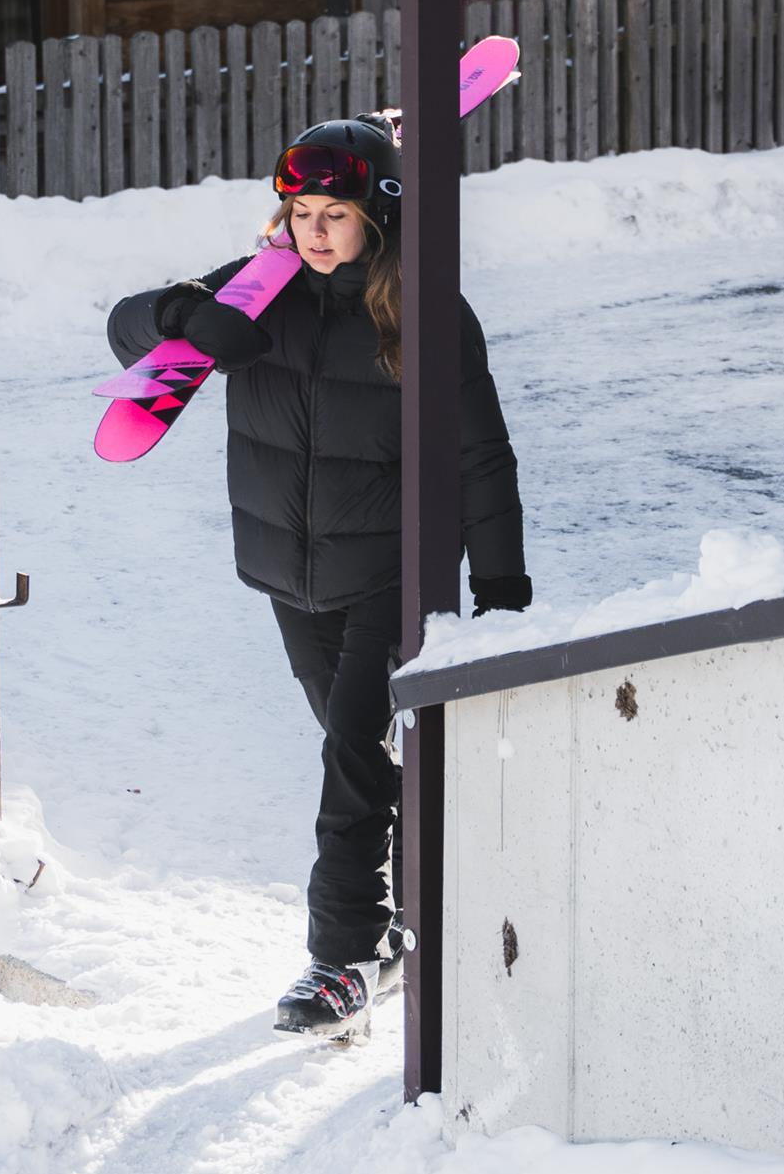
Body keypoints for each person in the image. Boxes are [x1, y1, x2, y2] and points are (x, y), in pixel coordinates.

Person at [107, 115, 530, 1035]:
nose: (315, 231)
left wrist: (500, 597)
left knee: (351, 755)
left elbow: (482, 459)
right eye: (300, 214)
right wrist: (183, 315)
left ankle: (342, 959)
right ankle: (416, 919)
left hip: (392, 570)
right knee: (367, 756)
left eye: (335, 214)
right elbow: (125, 327)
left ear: (377, 219)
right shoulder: (259, 291)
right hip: (290, 575)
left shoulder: (424, 312)